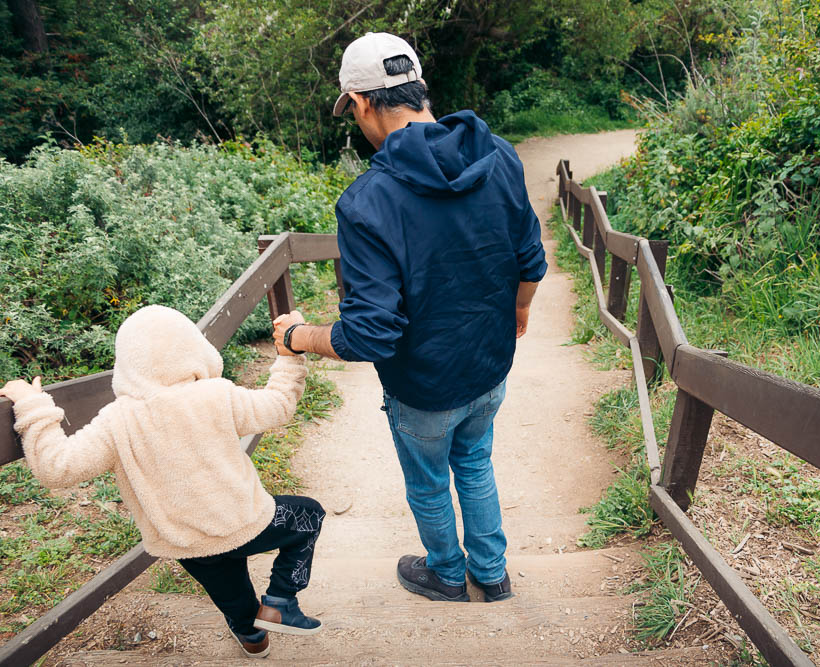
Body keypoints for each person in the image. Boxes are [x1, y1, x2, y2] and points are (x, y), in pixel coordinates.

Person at [271, 31, 546, 604]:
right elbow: (530, 258)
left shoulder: (367, 201)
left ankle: (446, 574)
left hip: (423, 387)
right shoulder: (497, 154)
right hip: (490, 365)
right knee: (475, 461)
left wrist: (300, 336)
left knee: (429, 482)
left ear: (364, 103)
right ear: (419, 89)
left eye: (353, 110)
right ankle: (491, 575)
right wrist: (518, 309)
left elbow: (372, 331)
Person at [0, 305, 324, 659]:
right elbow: (278, 405)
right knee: (308, 515)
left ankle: (251, 636)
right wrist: (289, 356)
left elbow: (57, 468)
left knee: (230, 591)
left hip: (185, 542)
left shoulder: (117, 420)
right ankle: (280, 600)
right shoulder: (216, 395)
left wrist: (32, 406)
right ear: (193, 348)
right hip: (243, 523)